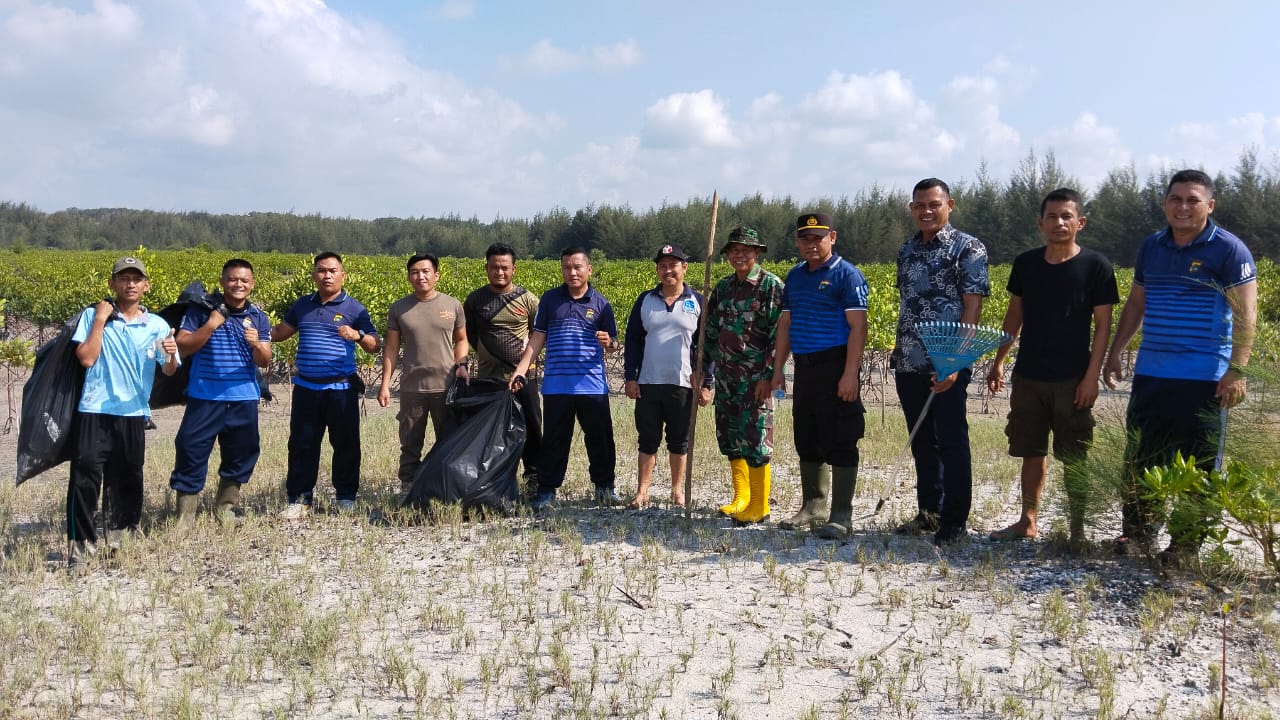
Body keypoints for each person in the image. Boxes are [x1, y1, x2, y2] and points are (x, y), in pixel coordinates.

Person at [1104, 169, 1257, 562]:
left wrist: (1236, 370)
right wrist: (1117, 349)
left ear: (1210, 205)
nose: (1183, 207)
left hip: (1205, 377)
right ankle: (1137, 535)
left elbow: (1246, 316)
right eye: (1176, 199)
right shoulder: (1151, 246)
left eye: (1193, 200)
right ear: (1164, 203)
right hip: (1153, 372)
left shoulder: (1229, 250)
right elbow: (1137, 302)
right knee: (1141, 456)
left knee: (1200, 464)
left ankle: (1186, 546)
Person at [985, 189, 1119, 545]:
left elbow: (1103, 325)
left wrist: (1092, 377)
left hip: (1073, 378)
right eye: (1052, 217)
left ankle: (1077, 529)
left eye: (1066, 216)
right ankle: (1027, 519)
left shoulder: (1096, 267)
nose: (1059, 223)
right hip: (1029, 375)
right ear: (1040, 222)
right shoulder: (1026, 263)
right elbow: (1014, 316)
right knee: (1030, 449)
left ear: (1080, 222)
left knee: (1075, 454)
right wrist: (999, 361)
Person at [893, 178, 990, 546]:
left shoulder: (968, 248)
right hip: (909, 359)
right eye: (919, 206)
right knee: (921, 440)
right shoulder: (907, 250)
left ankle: (954, 520)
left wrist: (953, 360)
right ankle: (929, 512)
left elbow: (972, 307)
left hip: (948, 360)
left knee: (951, 439)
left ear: (950, 204)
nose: (926, 211)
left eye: (934, 204)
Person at [67, 256, 180, 564]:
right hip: (93, 411)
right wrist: (102, 319)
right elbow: (86, 359)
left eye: (136, 279)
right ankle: (81, 547)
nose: (130, 284)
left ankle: (120, 541)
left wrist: (170, 355)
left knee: (128, 478)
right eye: (123, 278)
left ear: (146, 285)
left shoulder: (156, 325)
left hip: (133, 414)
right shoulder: (93, 316)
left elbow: (168, 371)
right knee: (85, 477)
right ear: (112, 284)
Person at [771, 213, 869, 539]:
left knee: (841, 438)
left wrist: (850, 374)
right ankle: (812, 507)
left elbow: (858, 328)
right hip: (806, 367)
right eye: (805, 238)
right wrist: (778, 370)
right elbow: (785, 325)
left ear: (833, 237)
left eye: (818, 237)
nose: (811, 244)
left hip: (836, 364)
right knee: (807, 436)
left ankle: (842, 515)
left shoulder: (846, 275)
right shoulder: (796, 277)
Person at [509, 247, 620, 510]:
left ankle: (605, 488)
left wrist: (610, 343)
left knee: (600, 438)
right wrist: (521, 369)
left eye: (578, 267)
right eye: (567, 267)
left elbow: (614, 342)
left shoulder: (601, 304)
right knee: (555, 439)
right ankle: (547, 491)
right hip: (557, 385)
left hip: (592, 384)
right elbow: (537, 339)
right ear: (562, 270)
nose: (572, 272)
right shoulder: (550, 301)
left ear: (589, 270)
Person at [271, 252, 380, 518]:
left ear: (343, 275)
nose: (327, 275)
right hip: (307, 388)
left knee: (345, 444)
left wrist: (358, 335)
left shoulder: (355, 308)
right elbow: (279, 334)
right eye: (321, 270)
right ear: (314, 275)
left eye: (332, 270)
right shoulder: (302, 306)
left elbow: (375, 345)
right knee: (301, 444)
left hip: (341, 389)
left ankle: (345, 498)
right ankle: (299, 499)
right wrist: (250, 328)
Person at [169, 259, 273, 526]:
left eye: (244, 280)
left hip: (243, 397)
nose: (239, 284)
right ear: (222, 281)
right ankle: (185, 517)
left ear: (252, 284)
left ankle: (225, 508)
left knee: (242, 452)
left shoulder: (259, 317)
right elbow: (183, 346)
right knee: (190, 449)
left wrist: (257, 345)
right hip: (205, 396)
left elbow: (265, 360)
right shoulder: (201, 312)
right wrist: (212, 324)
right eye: (232, 279)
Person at [700, 226, 784, 524]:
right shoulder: (723, 288)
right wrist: (703, 373)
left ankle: (760, 506)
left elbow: (778, 335)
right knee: (730, 435)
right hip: (726, 378)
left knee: (756, 437)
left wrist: (770, 376)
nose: (740, 255)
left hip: (755, 379)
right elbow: (710, 333)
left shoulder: (770, 286)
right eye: (734, 250)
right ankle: (741, 498)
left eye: (746, 250)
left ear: (757, 253)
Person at [622, 244, 713, 509]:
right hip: (649, 383)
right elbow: (633, 340)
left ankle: (677, 491)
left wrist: (706, 382)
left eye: (673, 265)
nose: (667, 270)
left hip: (683, 383)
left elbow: (707, 345)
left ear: (684, 268)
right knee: (647, 439)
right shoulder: (645, 300)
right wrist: (630, 377)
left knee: (679, 440)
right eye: (662, 266)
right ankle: (642, 492)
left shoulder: (697, 301)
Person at [378, 253, 468, 500]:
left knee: (448, 441)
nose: (421, 276)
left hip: (446, 386)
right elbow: (392, 348)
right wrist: (385, 384)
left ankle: (445, 489)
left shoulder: (452, 305)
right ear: (409, 277)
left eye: (426, 271)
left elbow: (461, 340)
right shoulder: (399, 308)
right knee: (409, 442)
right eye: (415, 272)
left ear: (436, 275)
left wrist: (462, 364)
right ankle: (408, 488)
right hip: (412, 387)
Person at [463, 243, 542, 495]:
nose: (499, 272)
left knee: (531, 428)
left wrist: (523, 365)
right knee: (492, 434)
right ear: (486, 268)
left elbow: (538, 336)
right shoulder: (475, 300)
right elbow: (469, 336)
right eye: (494, 267)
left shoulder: (528, 300)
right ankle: (495, 482)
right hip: (489, 379)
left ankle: (533, 477)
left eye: (504, 268)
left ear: (514, 269)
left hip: (523, 378)